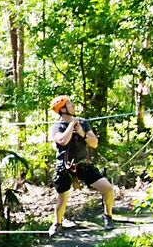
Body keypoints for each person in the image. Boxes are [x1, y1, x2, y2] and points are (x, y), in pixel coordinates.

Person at [48, 94, 115, 234]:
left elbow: (94, 143)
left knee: (108, 188)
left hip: (83, 165)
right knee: (62, 198)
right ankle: (57, 223)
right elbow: (62, 141)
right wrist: (71, 125)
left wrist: (82, 133)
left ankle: (108, 216)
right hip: (64, 167)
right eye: (70, 104)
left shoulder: (83, 123)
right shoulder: (56, 126)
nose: (73, 106)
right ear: (63, 109)